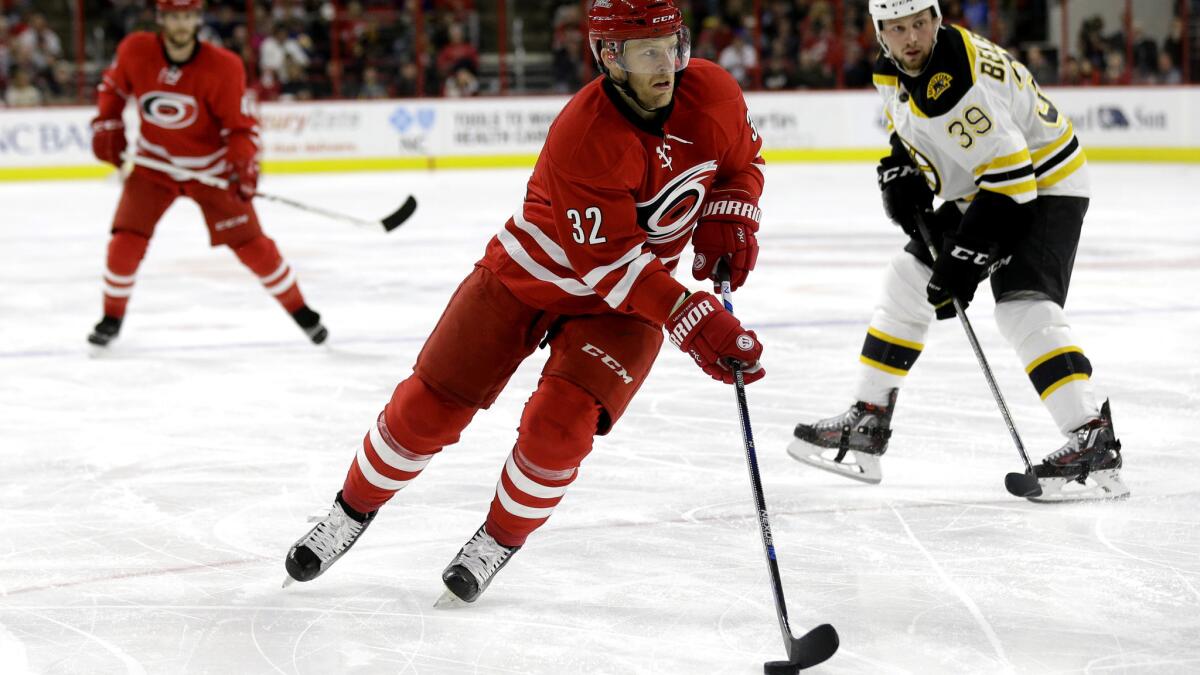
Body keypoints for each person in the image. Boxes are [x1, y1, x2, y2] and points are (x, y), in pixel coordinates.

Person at [283, 0, 767, 603]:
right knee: (425, 410)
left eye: (672, 44)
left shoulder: (713, 92)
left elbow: (741, 162)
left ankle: (497, 539)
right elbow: (610, 264)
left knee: (559, 430)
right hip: (530, 277)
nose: (667, 63)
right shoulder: (584, 133)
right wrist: (691, 318)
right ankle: (349, 512)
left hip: (623, 307)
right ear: (610, 58)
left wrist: (733, 210)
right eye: (648, 52)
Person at [786, 0, 1126, 502]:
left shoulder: (958, 84)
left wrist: (963, 262)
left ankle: (1091, 437)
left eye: (920, 24)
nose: (911, 38)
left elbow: (1013, 187)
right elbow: (917, 131)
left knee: (1020, 303)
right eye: (897, 28)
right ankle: (868, 419)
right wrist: (903, 166)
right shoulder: (891, 70)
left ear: (937, 20)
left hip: (1045, 182)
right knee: (907, 279)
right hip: (989, 187)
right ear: (880, 33)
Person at [87, 0, 326, 348]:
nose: (181, 24)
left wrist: (243, 165)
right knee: (125, 242)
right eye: (173, 17)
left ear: (197, 19)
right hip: (154, 166)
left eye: (187, 16)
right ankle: (111, 318)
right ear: (161, 19)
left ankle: (302, 313)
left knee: (252, 246)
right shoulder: (135, 50)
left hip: (209, 170)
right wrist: (107, 122)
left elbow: (241, 128)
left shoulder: (224, 66)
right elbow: (112, 88)